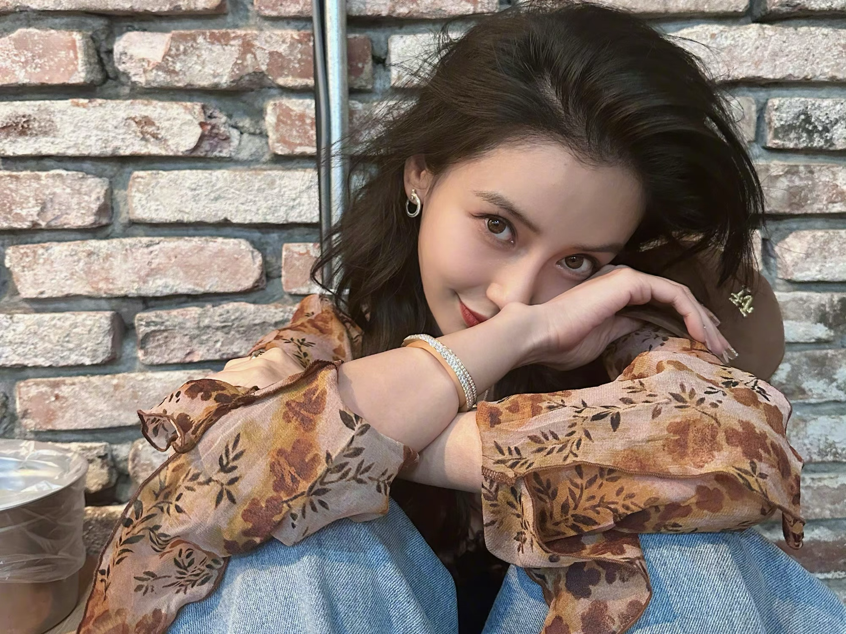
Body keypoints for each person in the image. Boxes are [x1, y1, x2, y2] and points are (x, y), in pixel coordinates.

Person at [78, 1, 846, 633]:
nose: (519, 291)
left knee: (674, 545)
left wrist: (378, 446)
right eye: (499, 226)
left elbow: (739, 450)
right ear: (422, 173)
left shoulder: (624, 341)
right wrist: (507, 342)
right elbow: (210, 480)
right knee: (289, 539)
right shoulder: (331, 342)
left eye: (578, 260)